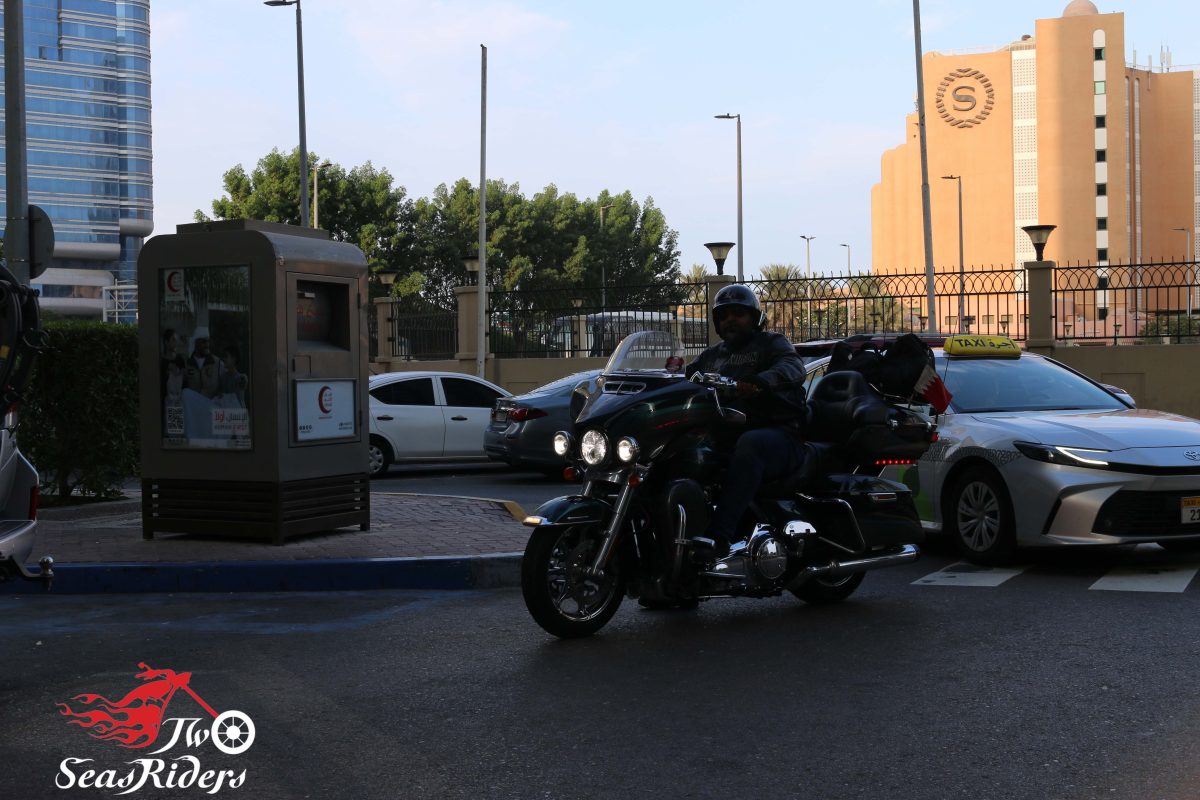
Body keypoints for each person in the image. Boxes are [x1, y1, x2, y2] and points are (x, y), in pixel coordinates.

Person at [685, 284, 809, 560]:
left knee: (751, 443)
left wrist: (761, 381)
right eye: (724, 315)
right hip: (724, 438)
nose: (730, 319)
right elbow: (687, 375)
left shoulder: (772, 343)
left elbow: (792, 366)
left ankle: (719, 536)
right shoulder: (712, 356)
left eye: (738, 313)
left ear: (754, 317)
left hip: (779, 435)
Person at [183, 327, 223, 399]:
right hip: (193, 405)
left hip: (211, 405)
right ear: (196, 343)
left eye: (208, 341)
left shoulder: (218, 363)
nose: (207, 345)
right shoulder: (187, 363)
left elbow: (226, 381)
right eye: (203, 342)